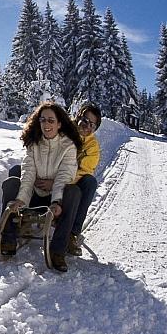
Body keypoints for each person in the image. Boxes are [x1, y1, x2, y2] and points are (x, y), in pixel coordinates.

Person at [0, 101, 82, 272]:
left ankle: (58, 250)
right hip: (35, 193)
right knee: (11, 183)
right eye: (43, 120)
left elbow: (64, 177)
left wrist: (57, 201)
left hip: (54, 195)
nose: (46, 124)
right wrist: (21, 199)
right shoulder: (34, 144)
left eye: (51, 120)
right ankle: (8, 238)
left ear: (59, 124)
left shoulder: (68, 146)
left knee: (73, 191)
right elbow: (28, 173)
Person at [67, 103, 102, 256]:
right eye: (85, 120)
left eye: (92, 124)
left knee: (89, 182)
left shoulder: (92, 146)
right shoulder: (64, 130)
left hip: (70, 181)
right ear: (79, 116)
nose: (87, 126)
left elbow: (84, 171)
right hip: (50, 174)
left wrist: (63, 181)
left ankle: (72, 233)